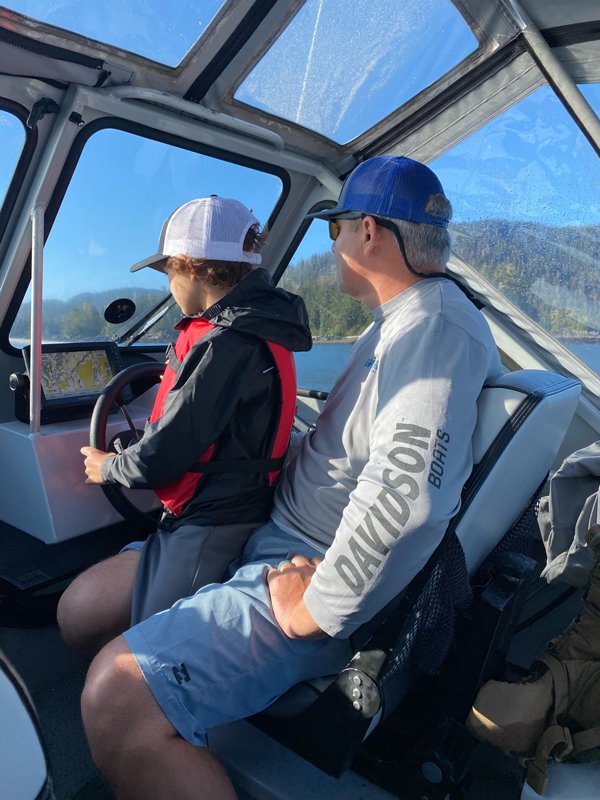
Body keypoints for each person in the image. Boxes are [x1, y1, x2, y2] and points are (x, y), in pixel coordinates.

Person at [78, 156, 505, 799]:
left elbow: (407, 493)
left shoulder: (434, 329)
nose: (331, 246)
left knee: (115, 694)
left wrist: (318, 608)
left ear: (368, 232)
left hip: (300, 567)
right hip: (271, 531)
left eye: (335, 229)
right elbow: (358, 453)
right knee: (83, 613)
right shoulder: (405, 321)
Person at [57, 195, 311, 653]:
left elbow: (160, 458)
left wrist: (106, 467)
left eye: (168, 272)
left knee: (149, 653)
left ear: (192, 268)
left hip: (213, 523)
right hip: (230, 506)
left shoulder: (223, 345)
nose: (170, 285)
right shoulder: (257, 325)